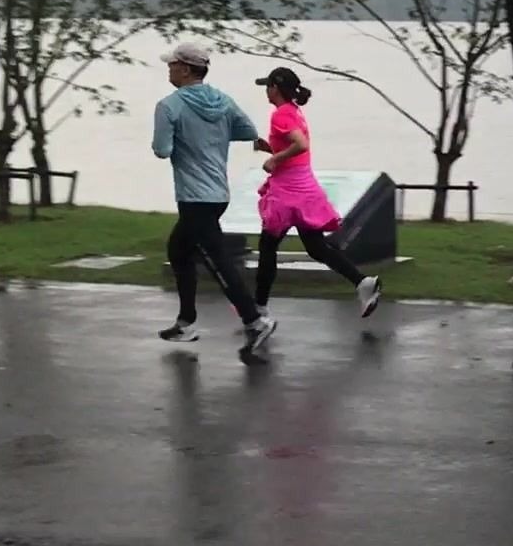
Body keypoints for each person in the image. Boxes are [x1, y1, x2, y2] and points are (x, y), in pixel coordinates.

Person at [151, 42, 274, 363]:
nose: (169, 69)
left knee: (217, 260)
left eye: (173, 64)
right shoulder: (223, 100)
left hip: (194, 197)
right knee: (178, 251)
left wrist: (184, 138)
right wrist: (212, 136)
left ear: (187, 69)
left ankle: (255, 320)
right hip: (218, 194)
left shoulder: (169, 106)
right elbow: (247, 130)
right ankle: (186, 322)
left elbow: (162, 149)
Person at [249, 67, 382, 325]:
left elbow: (301, 144)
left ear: (276, 88)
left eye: (268, 86)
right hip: (303, 187)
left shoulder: (280, 114)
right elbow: (294, 147)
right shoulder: (294, 112)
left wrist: (274, 159)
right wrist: (270, 148)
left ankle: (259, 309)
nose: (266, 91)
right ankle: (363, 283)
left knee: (268, 247)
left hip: (288, 193)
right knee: (315, 247)